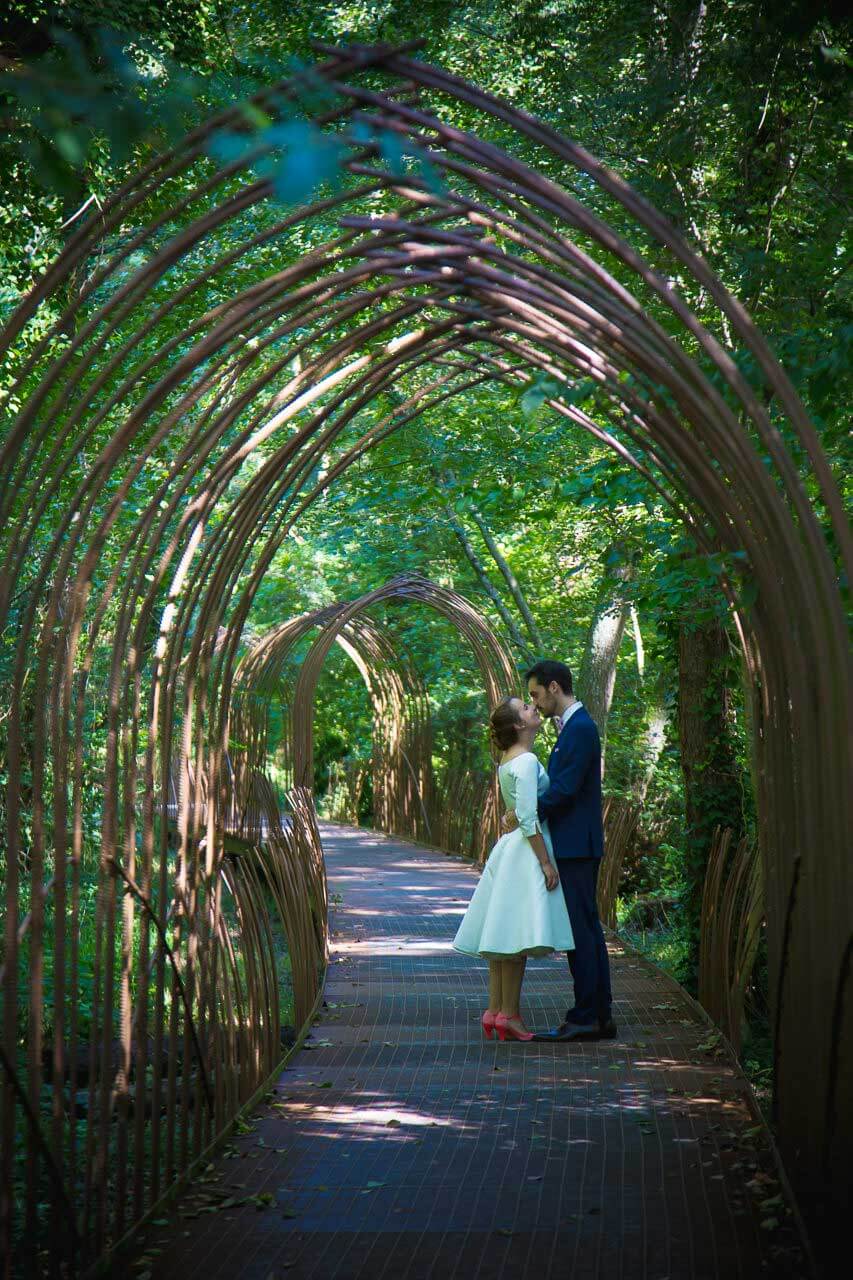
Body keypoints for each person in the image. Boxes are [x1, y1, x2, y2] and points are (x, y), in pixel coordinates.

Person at [503, 660, 615, 1042]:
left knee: (581, 933)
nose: (535, 702)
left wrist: (526, 812)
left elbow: (565, 788)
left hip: (576, 846)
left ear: (553, 687)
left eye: (535, 694)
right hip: (574, 843)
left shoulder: (580, 728)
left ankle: (588, 1015)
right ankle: (597, 1014)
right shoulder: (573, 728)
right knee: (585, 929)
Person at [453, 696, 574, 1042]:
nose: (533, 708)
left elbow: (516, 811)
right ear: (519, 725)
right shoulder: (527, 759)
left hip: (509, 851)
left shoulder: (507, 760)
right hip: (526, 852)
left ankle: (495, 1010)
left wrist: (513, 816)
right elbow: (526, 816)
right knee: (516, 940)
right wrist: (546, 862)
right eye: (525, 708)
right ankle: (510, 1015)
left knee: (503, 938)